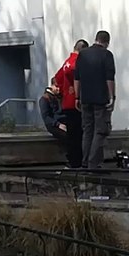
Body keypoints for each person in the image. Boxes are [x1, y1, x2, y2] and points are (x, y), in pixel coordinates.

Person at [73, 31, 116, 170]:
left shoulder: (83, 54)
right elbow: (109, 78)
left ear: (96, 39)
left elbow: (77, 78)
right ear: (107, 42)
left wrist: (77, 97)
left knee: (87, 130)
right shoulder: (107, 55)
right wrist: (112, 97)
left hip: (85, 99)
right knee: (100, 131)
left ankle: (85, 162)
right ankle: (93, 163)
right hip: (100, 99)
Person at [52, 39, 88, 168]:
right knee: (78, 134)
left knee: (72, 133)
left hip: (67, 102)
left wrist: (62, 91)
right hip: (75, 103)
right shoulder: (76, 62)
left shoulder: (66, 62)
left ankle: (72, 159)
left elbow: (57, 78)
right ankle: (76, 160)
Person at [37, 84, 74, 164]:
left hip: (64, 122)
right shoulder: (45, 99)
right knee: (67, 137)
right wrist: (58, 124)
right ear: (51, 86)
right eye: (56, 87)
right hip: (53, 124)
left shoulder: (59, 97)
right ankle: (69, 158)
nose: (58, 89)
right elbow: (46, 117)